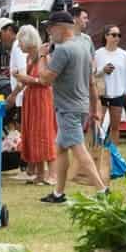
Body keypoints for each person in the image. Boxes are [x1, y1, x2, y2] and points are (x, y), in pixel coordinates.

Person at [26, 10, 106, 204]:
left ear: (61, 28)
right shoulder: (83, 46)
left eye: (50, 28)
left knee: (78, 148)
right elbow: (91, 81)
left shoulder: (62, 50)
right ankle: (58, 193)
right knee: (61, 149)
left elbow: (45, 79)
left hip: (67, 108)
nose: (48, 32)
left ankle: (102, 190)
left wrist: (43, 56)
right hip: (80, 105)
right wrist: (95, 107)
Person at [12, 24, 55, 185]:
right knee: (33, 135)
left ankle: (52, 174)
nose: (19, 45)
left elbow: (46, 81)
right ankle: (40, 174)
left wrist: (25, 79)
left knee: (44, 134)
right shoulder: (30, 57)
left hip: (42, 98)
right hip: (31, 98)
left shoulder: (43, 56)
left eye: (20, 42)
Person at [94, 26, 126, 146]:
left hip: (118, 92)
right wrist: (103, 70)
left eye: (119, 35)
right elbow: (92, 73)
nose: (117, 38)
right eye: (114, 35)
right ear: (106, 36)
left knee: (115, 126)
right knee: (98, 125)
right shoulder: (98, 53)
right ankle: (97, 149)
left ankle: (113, 153)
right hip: (101, 93)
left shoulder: (123, 54)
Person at [0, 18, 17, 96]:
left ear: (9, 30)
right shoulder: (15, 47)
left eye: (0, 35)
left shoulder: (18, 46)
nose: (0, 39)